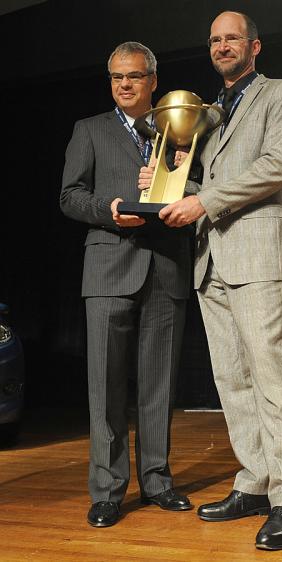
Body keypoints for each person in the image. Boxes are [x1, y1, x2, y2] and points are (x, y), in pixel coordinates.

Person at [142, 10, 282, 551]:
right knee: (232, 382)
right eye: (215, 40)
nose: (222, 46)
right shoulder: (211, 114)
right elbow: (208, 180)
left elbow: (275, 166)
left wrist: (202, 199)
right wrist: (166, 181)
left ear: (254, 47)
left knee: (269, 375)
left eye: (232, 38)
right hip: (210, 259)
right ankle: (256, 483)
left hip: (256, 254)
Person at [60, 41, 193, 528]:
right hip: (109, 268)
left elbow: (198, 189)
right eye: (117, 77)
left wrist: (185, 182)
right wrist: (109, 211)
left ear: (153, 80)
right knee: (106, 388)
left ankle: (157, 480)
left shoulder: (178, 131)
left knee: (159, 386)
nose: (124, 84)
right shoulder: (89, 130)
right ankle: (108, 490)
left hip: (165, 267)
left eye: (134, 76)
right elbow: (70, 196)